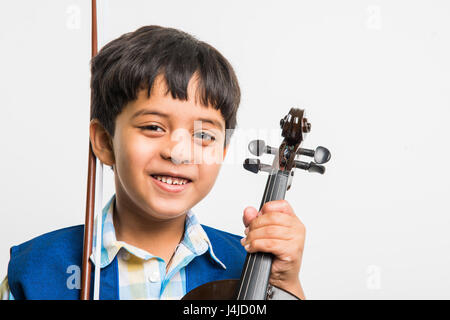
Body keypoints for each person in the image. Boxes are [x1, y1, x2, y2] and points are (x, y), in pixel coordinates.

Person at [0, 25, 306, 300]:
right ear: (105, 142)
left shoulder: (246, 268)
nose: (179, 152)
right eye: (153, 127)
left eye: (203, 134)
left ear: (222, 152)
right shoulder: (35, 270)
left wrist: (286, 284)